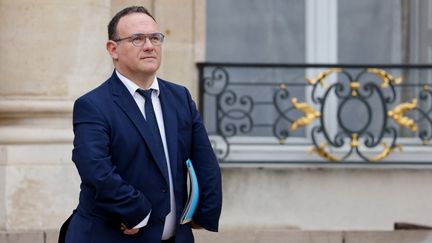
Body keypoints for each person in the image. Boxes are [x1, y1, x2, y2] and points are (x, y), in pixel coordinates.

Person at [61, 6, 222, 243]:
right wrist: (138, 212)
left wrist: (204, 210)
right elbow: (96, 170)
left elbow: (204, 161)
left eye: (155, 38)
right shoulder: (93, 105)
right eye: (137, 39)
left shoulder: (181, 98)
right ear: (112, 49)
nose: (149, 46)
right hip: (111, 236)